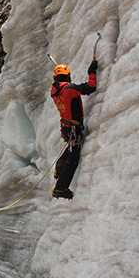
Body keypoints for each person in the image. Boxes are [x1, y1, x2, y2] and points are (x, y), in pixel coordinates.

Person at [50, 59, 98, 199]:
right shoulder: (70, 89)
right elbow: (91, 87)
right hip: (73, 128)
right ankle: (60, 188)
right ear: (68, 76)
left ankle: (59, 168)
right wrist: (92, 71)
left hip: (66, 127)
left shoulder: (55, 91)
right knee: (73, 158)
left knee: (72, 147)